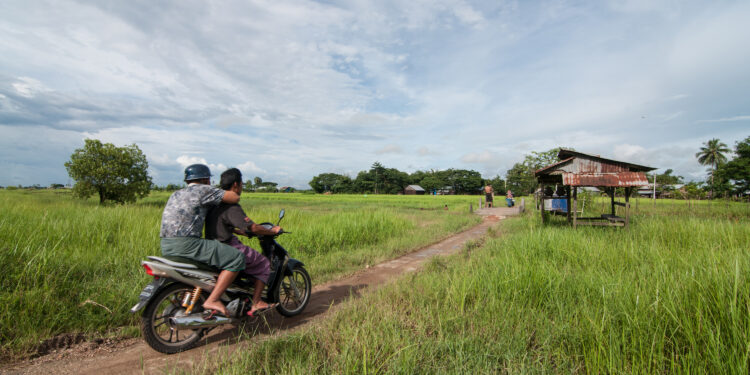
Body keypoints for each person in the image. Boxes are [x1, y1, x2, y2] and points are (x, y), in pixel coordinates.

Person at [159, 164, 245, 317]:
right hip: (187, 244)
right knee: (237, 258)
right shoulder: (203, 190)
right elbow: (234, 197)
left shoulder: (176, 194)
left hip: (166, 245)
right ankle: (213, 299)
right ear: (206, 179)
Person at [205, 168, 280, 317]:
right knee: (263, 263)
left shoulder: (214, 203)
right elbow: (253, 227)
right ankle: (257, 302)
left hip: (211, 245)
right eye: (241, 184)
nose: (242, 188)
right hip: (226, 246)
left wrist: (239, 231)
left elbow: (223, 224)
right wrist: (273, 231)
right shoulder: (232, 206)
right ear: (235, 185)